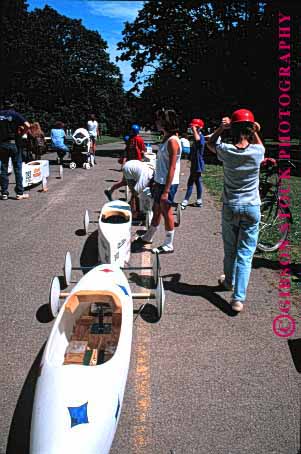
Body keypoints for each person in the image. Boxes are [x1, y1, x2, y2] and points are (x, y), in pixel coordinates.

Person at [206, 109, 265, 312]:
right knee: (245, 254)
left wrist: (222, 128)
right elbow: (261, 146)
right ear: (250, 130)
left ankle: (228, 281)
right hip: (251, 207)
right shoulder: (257, 152)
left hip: (231, 205)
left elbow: (210, 143)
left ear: (233, 129)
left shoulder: (227, 150)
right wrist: (254, 130)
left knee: (230, 249)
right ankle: (237, 298)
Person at [134, 109, 182, 254]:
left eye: (159, 120)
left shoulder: (173, 141)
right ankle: (148, 236)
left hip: (168, 183)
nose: (156, 122)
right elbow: (162, 164)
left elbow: (172, 168)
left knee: (166, 212)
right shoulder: (166, 138)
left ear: (165, 122)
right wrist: (155, 180)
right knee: (156, 210)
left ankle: (168, 244)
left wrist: (166, 191)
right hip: (160, 181)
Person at [104, 124, 146, 201]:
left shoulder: (130, 139)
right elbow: (143, 151)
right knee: (138, 182)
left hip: (128, 163)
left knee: (125, 182)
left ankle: (110, 190)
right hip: (137, 163)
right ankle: (135, 204)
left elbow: (126, 152)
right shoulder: (139, 139)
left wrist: (124, 162)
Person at [0, 100, 30, 200]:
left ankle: (4, 193)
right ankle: (19, 193)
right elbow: (27, 125)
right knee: (17, 168)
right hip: (14, 143)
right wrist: (22, 134)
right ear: (12, 107)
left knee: (4, 168)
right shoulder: (15, 114)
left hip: (2, 144)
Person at [181, 118, 205, 209]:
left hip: (198, 164)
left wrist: (195, 129)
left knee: (190, 182)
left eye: (194, 128)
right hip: (195, 163)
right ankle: (199, 201)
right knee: (198, 181)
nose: (192, 129)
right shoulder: (198, 137)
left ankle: (185, 201)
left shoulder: (199, 137)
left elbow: (198, 139)